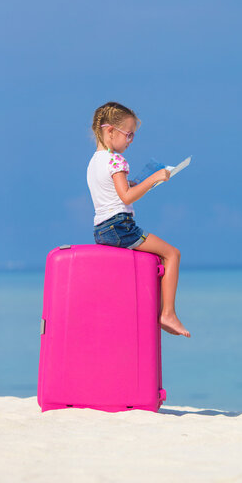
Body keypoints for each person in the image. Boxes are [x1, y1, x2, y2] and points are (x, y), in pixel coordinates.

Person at [87, 101, 191, 338]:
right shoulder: (117, 161)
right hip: (121, 227)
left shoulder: (95, 162)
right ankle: (168, 313)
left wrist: (135, 182)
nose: (131, 140)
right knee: (172, 254)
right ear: (110, 131)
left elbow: (114, 191)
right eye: (129, 134)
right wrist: (153, 178)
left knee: (154, 257)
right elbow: (127, 196)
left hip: (101, 229)